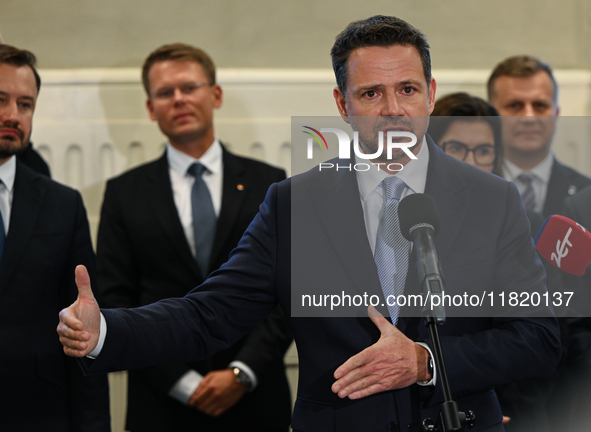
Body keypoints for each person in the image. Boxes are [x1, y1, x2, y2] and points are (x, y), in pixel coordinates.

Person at [58, 16, 561, 432]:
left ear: (430, 93)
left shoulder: (492, 199)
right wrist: (106, 331)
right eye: (370, 95)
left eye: (407, 89)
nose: (393, 110)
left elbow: (537, 337)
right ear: (343, 105)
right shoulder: (295, 203)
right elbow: (208, 315)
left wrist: (425, 361)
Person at [96, 43, 292, 432]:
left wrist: (241, 373)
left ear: (215, 95)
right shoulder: (124, 192)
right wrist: (184, 384)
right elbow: (116, 299)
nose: (179, 100)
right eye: (165, 93)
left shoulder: (270, 182)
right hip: (162, 405)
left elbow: (287, 290)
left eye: (190, 87)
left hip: (256, 398)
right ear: (151, 109)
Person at [0, 44, 111, 430]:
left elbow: (86, 327)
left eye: (25, 104)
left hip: (39, 412)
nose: (13, 115)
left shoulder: (63, 204)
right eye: (0, 100)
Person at [487, 55, 591, 217]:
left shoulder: (586, 194)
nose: (529, 118)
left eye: (540, 105)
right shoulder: (472, 186)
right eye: (514, 105)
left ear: (556, 113)